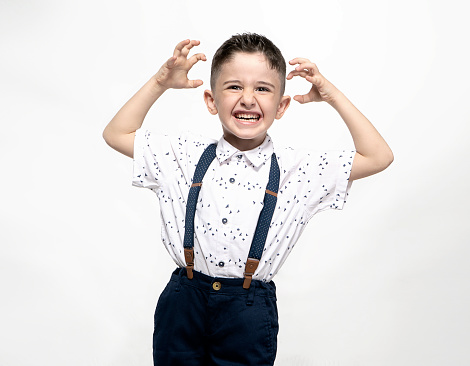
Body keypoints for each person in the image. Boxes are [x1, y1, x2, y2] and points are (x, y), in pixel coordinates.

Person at [103, 33, 393, 366]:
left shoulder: (297, 168)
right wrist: (160, 82)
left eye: (263, 88)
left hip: (248, 311)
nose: (248, 99)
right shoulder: (182, 154)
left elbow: (378, 156)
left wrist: (332, 95)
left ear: (281, 105)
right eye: (234, 87)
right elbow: (117, 133)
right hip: (184, 302)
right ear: (211, 101)